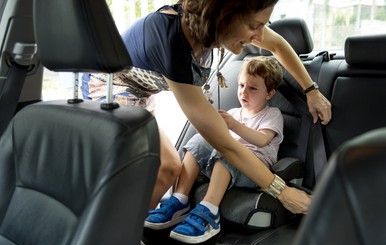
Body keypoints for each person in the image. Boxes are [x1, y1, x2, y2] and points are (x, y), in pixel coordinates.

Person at [82, 0, 331, 214]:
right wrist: (283, 192)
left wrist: (311, 91)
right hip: (108, 87)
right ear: (225, 14)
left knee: (154, 169)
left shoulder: (211, 27)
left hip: (141, 94)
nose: (259, 36)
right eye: (255, 26)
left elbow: (277, 45)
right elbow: (224, 144)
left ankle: (128, 235)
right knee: (167, 167)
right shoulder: (173, 41)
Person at [145, 57, 284, 243]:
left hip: (254, 169)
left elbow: (261, 139)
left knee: (228, 152)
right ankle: (179, 199)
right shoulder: (234, 112)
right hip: (226, 160)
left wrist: (233, 126)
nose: (244, 92)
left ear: (269, 93)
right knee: (199, 140)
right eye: (241, 85)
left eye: (252, 88)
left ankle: (209, 212)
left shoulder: (272, 114)